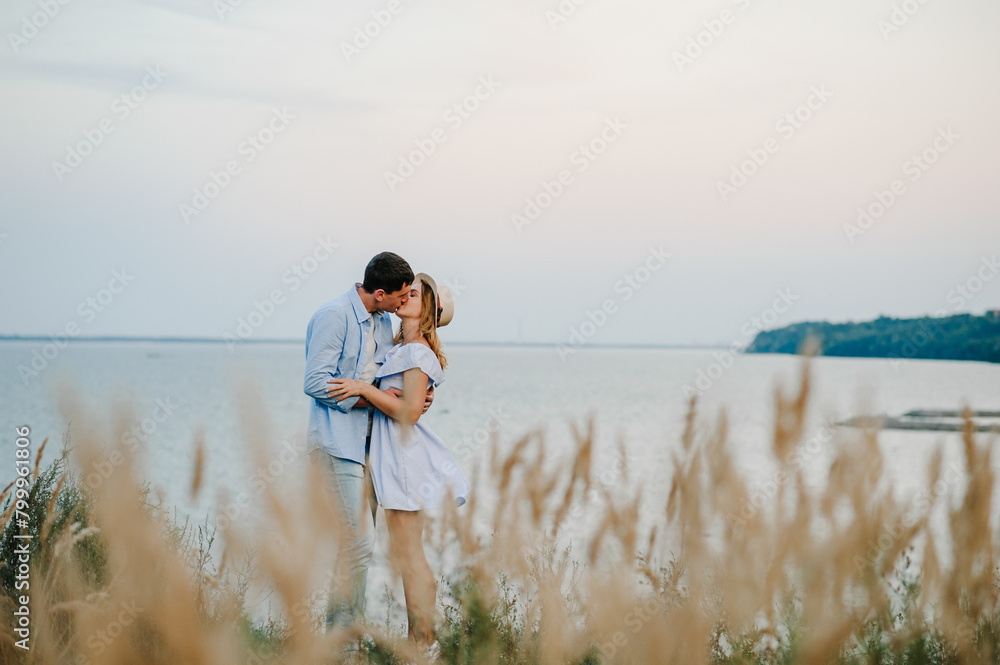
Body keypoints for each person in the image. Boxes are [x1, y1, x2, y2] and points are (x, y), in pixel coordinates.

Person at [328, 273, 469, 656]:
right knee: (405, 551)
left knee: (409, 553)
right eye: (406, 290)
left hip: (404, 457)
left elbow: (407, 412)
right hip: (390, 455)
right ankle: (417, 641)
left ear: (428, 310)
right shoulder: (399, 345)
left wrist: (363, 389)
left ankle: (423, 644)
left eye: (417, 293)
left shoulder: (417, 351)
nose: (407, 295)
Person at [303, 252, 434, 630]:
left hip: (369, 449)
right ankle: (342, 639)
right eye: (401, 294)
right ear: (380, 293)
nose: (403, 300)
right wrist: (366, 397)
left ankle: (343, 635)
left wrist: (418, 397)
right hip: (335, 444)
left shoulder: (380, 324)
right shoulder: (334, 316)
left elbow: (393, 377)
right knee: (359, 542)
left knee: (356, 544)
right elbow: (315, 382)